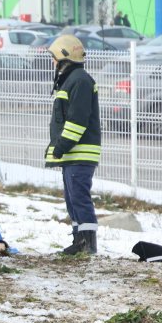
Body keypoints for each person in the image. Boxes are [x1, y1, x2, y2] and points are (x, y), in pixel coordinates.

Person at [45, 34, 101, 255]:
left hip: (78, 153)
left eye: (54, 57)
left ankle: (87, 246)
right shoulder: (71, 80)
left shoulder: (79, 81)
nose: (52, 62)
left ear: (63, 57)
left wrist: (61, 146)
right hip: (73, 155)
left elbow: (76, 121)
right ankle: (79, 242)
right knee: (72, 200)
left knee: (79, 198)